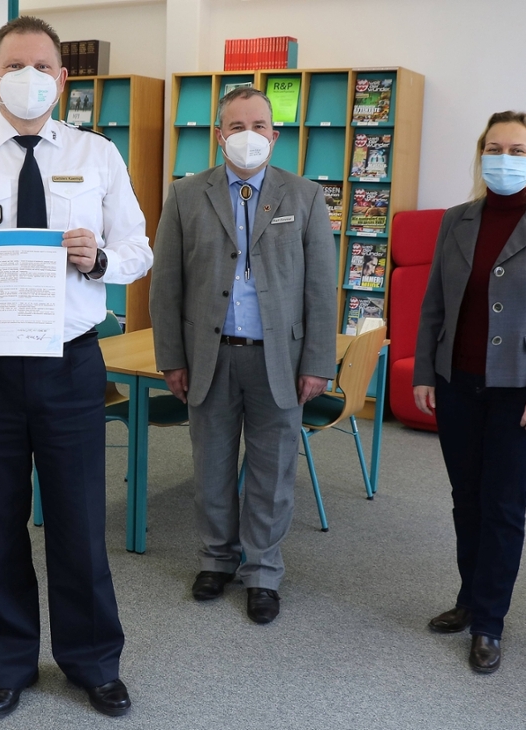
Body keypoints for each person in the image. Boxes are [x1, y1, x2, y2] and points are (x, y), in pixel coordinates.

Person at [0, 16, 151, 720]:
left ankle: (92, 662)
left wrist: (98, 259)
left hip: (70, 365)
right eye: (14, 64)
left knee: (78, 525)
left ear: (62, 77)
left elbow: (137, 249)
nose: (29, 75)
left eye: (43, 64)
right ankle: (7, 664)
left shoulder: (96, 154)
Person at [149, 87, 337, 626]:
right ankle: (215, 558)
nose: (248, 135)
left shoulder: (304, 196)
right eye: (237, 126)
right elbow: (166, 285)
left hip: (279, 357)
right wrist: (171, 358)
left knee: (272, 471)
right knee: (210, 465)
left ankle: (263, 571)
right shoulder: (186, 195)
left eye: (259, 125)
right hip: (209, 354)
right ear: (219, 134)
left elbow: (322, 288)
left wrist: (318, 361)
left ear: (275, 136)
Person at [413, 111, 526, 674]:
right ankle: (469, 599)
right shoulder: (457, 219)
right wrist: (423, 371)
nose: (504, 158)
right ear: (480, 154)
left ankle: (490, 620)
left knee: (503, 504)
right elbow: (434, 304)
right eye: (495, 147)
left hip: (521, 391)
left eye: (517, 149)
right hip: (455, 382)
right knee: (467, 499)